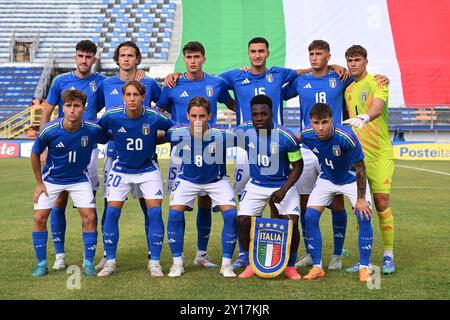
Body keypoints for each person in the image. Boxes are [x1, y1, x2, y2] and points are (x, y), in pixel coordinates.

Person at [156, 41, 236, 268]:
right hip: (181, 151)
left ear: (203, 59)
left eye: (197, 57)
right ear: (184, 59)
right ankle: (175, 259)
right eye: (189, 57)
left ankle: (201, 254)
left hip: (211, 147)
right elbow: (159, 110)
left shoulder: (216, 83)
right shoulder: (173, 83)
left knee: (206, 201)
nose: (193, 61)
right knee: (177, 207)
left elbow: (233, 105)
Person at [39, 40, 106, 271]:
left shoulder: (102, 82)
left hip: (89, 148)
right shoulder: (60, 81)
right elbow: (46, 112)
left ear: (94, 60)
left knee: (89, 206)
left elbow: (120, 96)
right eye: (80, 56)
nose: (84, 60)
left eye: (88, 57)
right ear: (75, 57)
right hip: (61, 147)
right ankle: (60, 255)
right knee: (58, 201)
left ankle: (92, 257)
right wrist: (44, 145)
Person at [96, 81, 173, 278]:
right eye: (128, 95)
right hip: (121, 169)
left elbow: (172, 131)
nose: (132, 99)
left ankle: (154, 262)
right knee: (112, 213)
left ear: (143, 97)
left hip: (148, 170)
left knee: (155, 213)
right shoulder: (111, 116)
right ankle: (110, 262)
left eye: (136, 95)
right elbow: (98, 133)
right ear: (123, 97)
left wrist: (155, 140)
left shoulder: (154, 117)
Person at [30, 89, 110, 277]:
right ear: (62, 108)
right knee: (39, 218)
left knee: (89, 217)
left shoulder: (91, 129)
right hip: (52, 179)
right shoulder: (50, 130)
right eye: (68, 106)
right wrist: (39, 183)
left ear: (84, 108)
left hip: (79, 179)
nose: (72, 110)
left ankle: (88, 263)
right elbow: (34, 154)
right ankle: (42, 263)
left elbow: (109, 136)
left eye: (77, 106)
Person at [96, 41, 160, 272]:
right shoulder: (106, 84)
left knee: (149, 208)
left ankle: (153, 256)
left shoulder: (149, 83)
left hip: (144, 157)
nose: (126, 59)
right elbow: (97, 116)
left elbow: (163, 107)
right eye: (122, 55)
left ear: (137, 59)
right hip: (115, 157)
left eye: (131, 55)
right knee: (110, 206)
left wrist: (174, 75)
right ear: (117, 59)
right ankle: (107, 255)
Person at [165, 97, 238, 278]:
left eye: (202, 116)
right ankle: (177, 263)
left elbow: (250, 138)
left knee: (230, 215)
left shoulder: (222, 135)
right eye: (194, 116)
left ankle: (226, 265)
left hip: (216, 181)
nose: (198, 120)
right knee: (174, 214)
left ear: (210, 117)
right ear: (187, 116)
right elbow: (155, 135)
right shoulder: (176, 133)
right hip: (187, 180)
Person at [300, 102, 373, 282]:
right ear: (311, 122)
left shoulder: (346, 136)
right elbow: (290, 139)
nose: (321, 127)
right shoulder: (308, 135)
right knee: (309, 217)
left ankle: (364, 267)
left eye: (324, 122)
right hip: (327, 179)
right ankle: (317, 267)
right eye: (316, 123)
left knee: (363, 214)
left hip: (351, 180)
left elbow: (361, 167)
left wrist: (361, 198)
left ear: (331, 120)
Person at [235, 95, 303, 280]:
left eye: (263, 114)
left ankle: (290, 266)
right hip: (256, 184)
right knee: (242, 221)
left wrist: (284, 190)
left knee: (292, 223)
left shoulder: (286, 136)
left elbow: (298, 165)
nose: (258, 118)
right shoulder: (243, 131)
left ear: (272, 114)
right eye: (255, 114)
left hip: (282, 185)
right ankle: (250, 264)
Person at [342, 45, 395, 275]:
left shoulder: (378, 82)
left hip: (380, 154)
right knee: (360, 206)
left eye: (357, 60)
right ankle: (363, 259)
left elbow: (377, 106)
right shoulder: (348, 88)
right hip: (358, 158)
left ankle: (388, 255)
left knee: (381, 202)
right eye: (349, 60)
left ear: (366, 61)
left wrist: (365, 116)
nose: (353, 64)